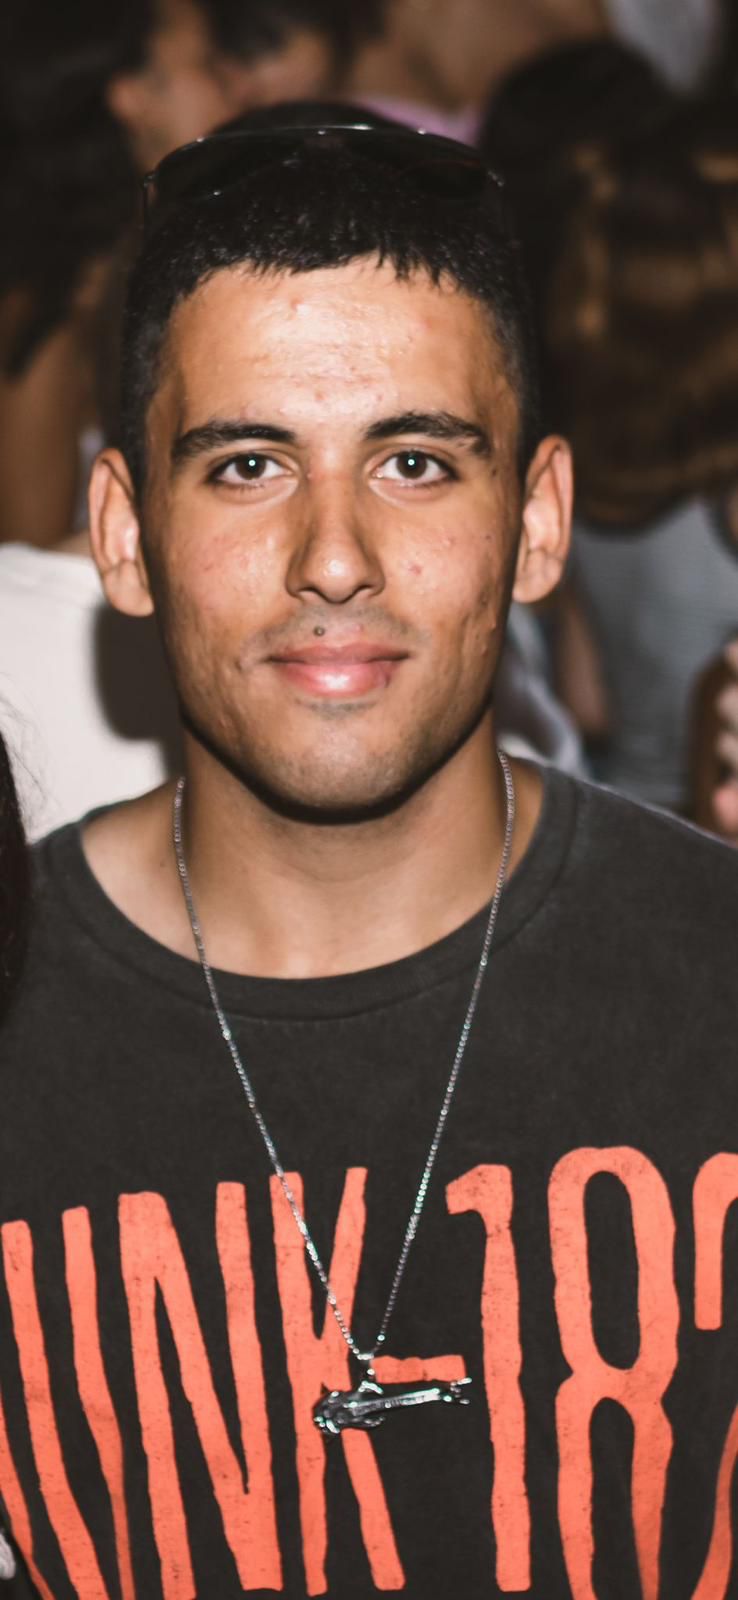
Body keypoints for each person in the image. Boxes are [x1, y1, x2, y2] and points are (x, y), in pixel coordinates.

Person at [2, 115, 738, 1599]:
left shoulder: (715, 975)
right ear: (125, 537)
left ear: (536, 521)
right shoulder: (14, 1006)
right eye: (247, 465)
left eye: (412, 461)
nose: (332, 557)